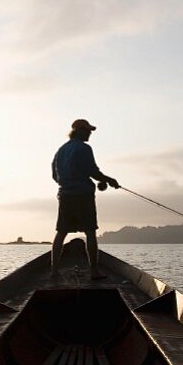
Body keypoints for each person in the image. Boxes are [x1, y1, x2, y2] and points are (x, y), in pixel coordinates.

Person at [50, 119, 119, 279]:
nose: (89, 133)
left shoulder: (61, 150)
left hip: (65, 195)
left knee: (61, 232)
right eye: (87, 131)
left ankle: (53, 271)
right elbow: (92, 171)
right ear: (79, 131)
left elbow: (55, 175)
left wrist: (67, 183)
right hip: (83, 196)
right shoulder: (84, 148)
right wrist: (109, 180)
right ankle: (94, 272)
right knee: (90, 232)